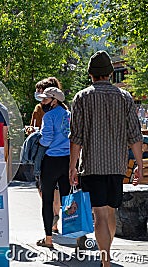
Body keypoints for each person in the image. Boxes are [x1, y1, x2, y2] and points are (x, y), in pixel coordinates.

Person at [69, 50, 143, 267]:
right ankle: (107, 255)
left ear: (91, 74)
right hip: (117, 165)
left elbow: (77, 137)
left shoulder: (82, 97)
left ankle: (106, 260)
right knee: (110, 212)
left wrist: (72, 167)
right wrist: (138, 164)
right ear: (110, 73)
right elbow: (134, 134)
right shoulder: (125, 97)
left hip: (92, 165)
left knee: (99, 214)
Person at [35, 87, 71, 249]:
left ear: (54, 101)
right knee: (69, 200)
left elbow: (47, 139)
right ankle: (78, 236)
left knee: (48, 200)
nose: (42, 102)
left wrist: (37, 141)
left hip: (51, 161)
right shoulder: (70, 115)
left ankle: (48, 239)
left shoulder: (49, 116)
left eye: (45, 99)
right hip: (68, 160)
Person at [31, 77, 63, 234]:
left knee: (46, 191)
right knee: (58, 191)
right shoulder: (65, 111)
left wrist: (36, 136)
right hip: (65, 156)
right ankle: (56, 221)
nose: (39, 97)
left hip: (48, 155)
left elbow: (45, 137)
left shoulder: (45, 112)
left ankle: (50, 229)